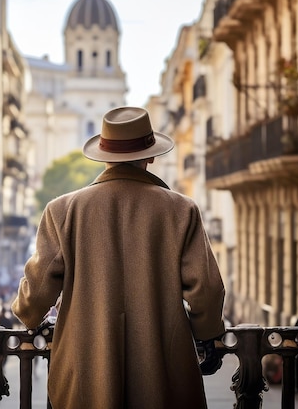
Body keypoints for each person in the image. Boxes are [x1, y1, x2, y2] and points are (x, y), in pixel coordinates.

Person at [12, 106, 226, 408]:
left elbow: (35, 293)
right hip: (163, 372)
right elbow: (206, 289)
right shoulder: (181, 210)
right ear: (151, 155)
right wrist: (208, 335)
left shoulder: (62, 211)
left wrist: (28, 315)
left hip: (84, 371)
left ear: (103, 155)